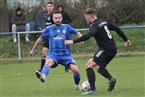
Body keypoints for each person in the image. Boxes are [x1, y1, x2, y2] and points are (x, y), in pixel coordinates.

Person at [65, 8, 132, 95]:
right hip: (112, 49)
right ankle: (111, 79)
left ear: (89, 17)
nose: (86, 19)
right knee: (98, 67)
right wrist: (126, 40)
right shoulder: (104, 21)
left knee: (89, 65)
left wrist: (73, 41)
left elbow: (89, 35)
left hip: (105, 50)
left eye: (86, 17)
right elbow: (117, 29)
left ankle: (92, 90)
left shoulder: (94, 25)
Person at [29, 11, 83, 90]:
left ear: (62, 18)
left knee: (76, 70)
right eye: (56, 18)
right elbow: (40, 39)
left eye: (59, 18)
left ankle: (77, 85)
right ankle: (43, 75)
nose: (58, 19)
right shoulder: (49, 29)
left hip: (66, 55)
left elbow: (77, 32)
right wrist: (33, 50)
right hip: (53, 54)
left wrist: (80, 39)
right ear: (52, 19)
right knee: (48, 62)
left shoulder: (67, 27)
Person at [34, 2, 54, 78]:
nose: (49, 7)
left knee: (60, 54)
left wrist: (47, 29)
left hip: (54, 38)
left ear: (53, 7)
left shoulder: (54, 15)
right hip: (47, 37)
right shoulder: (46, 15)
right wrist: (44, 30)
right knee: (44, 52)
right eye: (48, 6)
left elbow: (55, 26)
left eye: (50, 6)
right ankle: (41, 69)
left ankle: (67, 64)